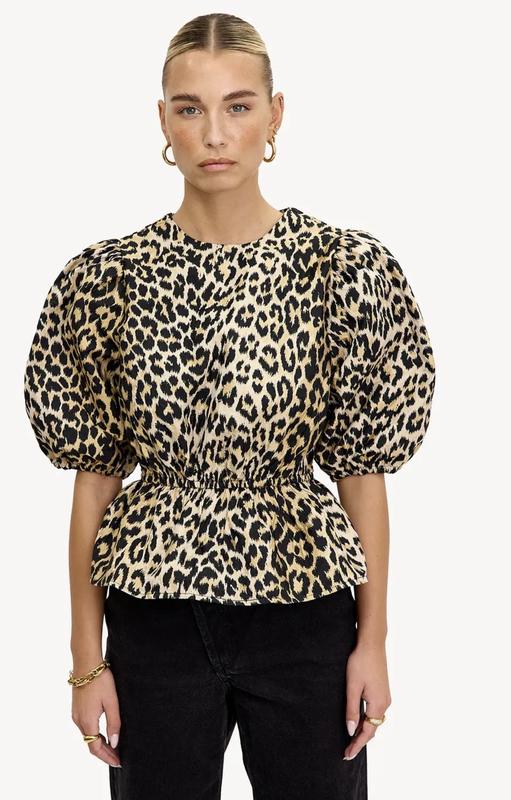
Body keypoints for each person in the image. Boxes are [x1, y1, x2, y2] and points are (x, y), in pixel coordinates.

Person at [23, 12, 436, 800]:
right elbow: (93, 480)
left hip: (305, 611)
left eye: (238, 106)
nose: (214, 133)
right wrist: (86, 661)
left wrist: (372, 642)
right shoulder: (106, 281)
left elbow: (361, 474)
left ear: (274, 115)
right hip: (153, 615)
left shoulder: (342, 271)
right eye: (190, 108)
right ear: (163, 121)